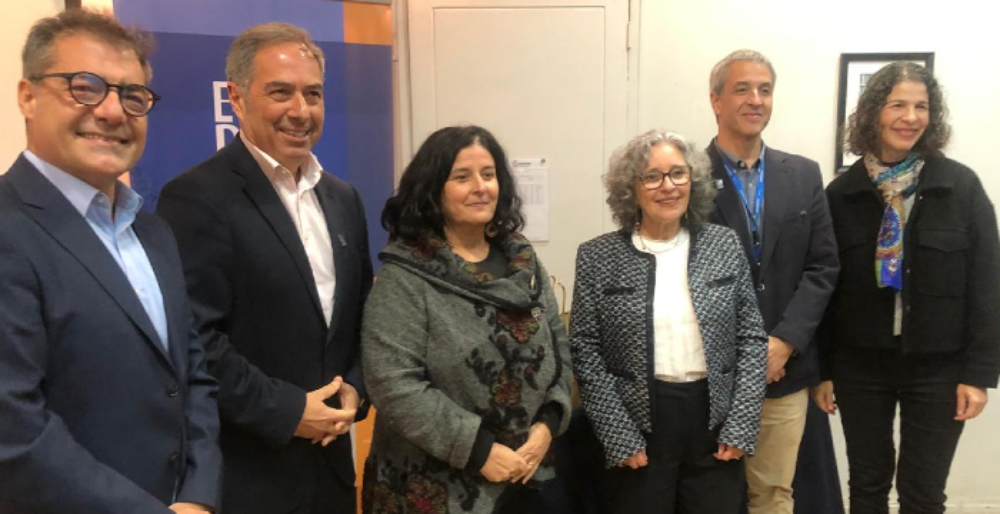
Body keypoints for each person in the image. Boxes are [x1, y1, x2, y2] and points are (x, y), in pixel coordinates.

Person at [0, 9, 220, 514]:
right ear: (27, 97)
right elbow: (13, 431)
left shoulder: (152, 229)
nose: (113, 112)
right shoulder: (9, 228)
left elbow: (193, 379)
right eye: (85, 87)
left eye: (132, 95)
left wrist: (199, 496)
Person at [156, 22, 373, 514]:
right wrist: (291, 411)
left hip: (334, 474)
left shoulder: (343, 198)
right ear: (236, 96)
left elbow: (362, 316)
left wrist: (357, 389)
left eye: (313, 94)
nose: (300, 111)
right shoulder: (196, 197)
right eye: (281, 92)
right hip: (250, 479)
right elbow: (195, 341)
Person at [815, 62, 1000, 514]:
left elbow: (988, 285)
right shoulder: (841, 195)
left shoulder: (961, 187)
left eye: (921, 106)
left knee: (923, 493)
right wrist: (822, 370)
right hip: (860, 367)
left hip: (940, 367)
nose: (910, 116)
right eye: (898, 104)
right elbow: (824, 288)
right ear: (874, 113)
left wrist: (978, 375)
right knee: (867, 486)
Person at [360, 125, 573, 514]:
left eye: (488, 175)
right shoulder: (406, 276)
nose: (480, 187)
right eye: (462, 177)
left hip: (528, 474)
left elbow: (559, 348)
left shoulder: (522, 264)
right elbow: (393, 385)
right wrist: (478, 451)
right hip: (436, 488)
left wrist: (548, 424)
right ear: (432, 190)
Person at [571, 129, 768, 513]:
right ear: (631, 188)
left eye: (678, 174)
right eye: (653, 176)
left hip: (714, 420)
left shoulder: (723, 245)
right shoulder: (598, 257)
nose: (668, 186)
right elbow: (584, 349)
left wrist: (742, 422)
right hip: (639, 423)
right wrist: (618, 433)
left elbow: (751, 338)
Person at [705, 49, 842, 514]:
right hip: (710, 376)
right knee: (713, 496)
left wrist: (784, 341)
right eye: (742, 88)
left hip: (784, 371)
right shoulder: (685, 177)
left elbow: (823, 267)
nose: (756, 99)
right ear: (716, 100)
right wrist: (743, 353)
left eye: (765, 89)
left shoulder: (803, 174)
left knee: (774, 495)